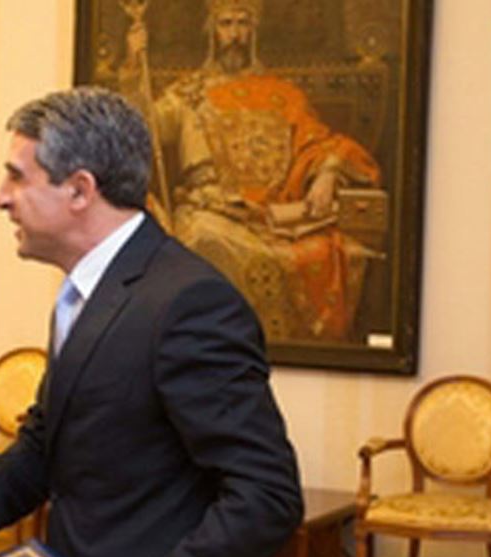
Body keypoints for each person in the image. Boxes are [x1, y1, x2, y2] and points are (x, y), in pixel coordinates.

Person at [0, 87, 303, 557]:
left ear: (79, 190)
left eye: (17, 176)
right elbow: (50, 446)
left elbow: (266, 497)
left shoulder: (188, 301)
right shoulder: (87, 294)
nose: (0, 197)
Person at [120, 0, 382, 342]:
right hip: (210, 209)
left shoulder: (283, 94)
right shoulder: (188, 93)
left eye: (242, 24)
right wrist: (132, 67)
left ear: (254, 31)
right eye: (226, 24)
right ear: (212, 32)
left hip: (274, 217)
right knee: (204, 239)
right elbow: (141, 128)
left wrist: (328, 173)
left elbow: (319, 142)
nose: (234, 34)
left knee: (336, 250)